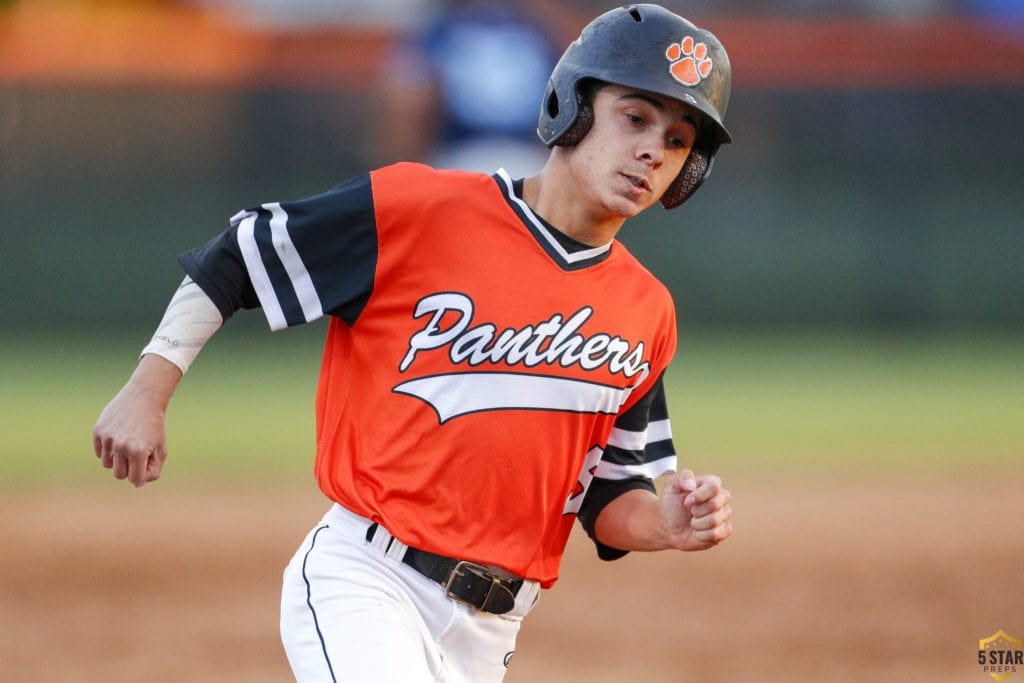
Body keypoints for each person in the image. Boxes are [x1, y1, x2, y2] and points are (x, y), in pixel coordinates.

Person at [92, 4, 735, 681]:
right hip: (368, 581)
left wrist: (665, 522)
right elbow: (241, 255)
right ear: (571, 106)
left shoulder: (646, 311)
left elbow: (607, 497)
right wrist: (146, 390)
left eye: (678, 140)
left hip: (492, 633)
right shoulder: (420, 208)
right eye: (635, 118)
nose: (652, 151)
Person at [375, 0, 562, 177]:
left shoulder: (437, 31)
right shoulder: (537, 28)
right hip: (517, 163)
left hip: (463, 161)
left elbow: (408, 109)